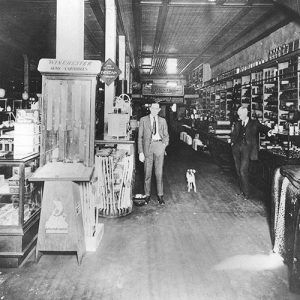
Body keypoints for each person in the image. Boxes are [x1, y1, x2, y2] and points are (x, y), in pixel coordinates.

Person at [231, 106, 274, 199]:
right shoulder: (238, 123)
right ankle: (242, 191)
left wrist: (269, 131)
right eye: (238, 115)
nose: (239, 117)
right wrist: (232, 142)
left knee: (243, 170)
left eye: (241, 115)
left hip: (247, 149)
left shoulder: (254, 123)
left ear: (246, 113)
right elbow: (234, 134)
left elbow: (263, 128)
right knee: (238, 171)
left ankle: (246, 193)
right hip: (236, 148)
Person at [138, 103, 169, 205]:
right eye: (153, 108)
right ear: (150, 109)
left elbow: (166, 136)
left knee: (159, 173)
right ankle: (147, 195)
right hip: (148, 148)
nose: (154, 110)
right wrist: (141, 152)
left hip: (159, 146)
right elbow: (140, 137)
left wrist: (163, 145)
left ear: (159, 110)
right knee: (147, 173)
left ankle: (160, 196)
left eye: (157, 108)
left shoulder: (163, 121)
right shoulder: (143, 120)